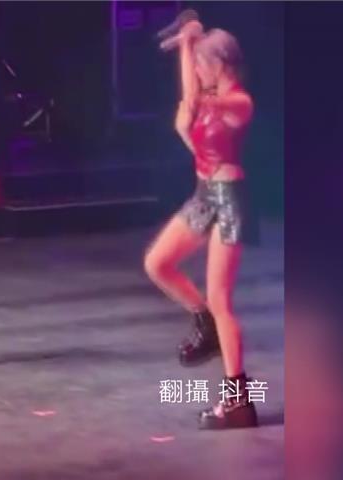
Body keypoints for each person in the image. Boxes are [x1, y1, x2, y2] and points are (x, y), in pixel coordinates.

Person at [143, 19, 260, 429]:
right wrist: (186, 47)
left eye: (199, 64)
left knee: (221, 298)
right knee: (158, 263)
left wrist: (187, 42)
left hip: (229, 201)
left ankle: (239, 403)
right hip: (203, 194)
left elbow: (195, 102)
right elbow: (193, 109)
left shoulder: (239, 102)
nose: (196, 71)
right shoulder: (210, 96)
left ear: (220, 63)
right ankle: (204, 322)